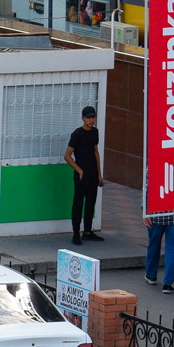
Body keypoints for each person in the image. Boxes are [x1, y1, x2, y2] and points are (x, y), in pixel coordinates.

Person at [64, 105, 104, 245]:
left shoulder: (95, 132)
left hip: (93, 173)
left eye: (93, 117)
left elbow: (95, 152)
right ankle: (76, 233)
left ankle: (87, 231)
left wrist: (99, 174)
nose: (91, 120)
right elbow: (67, 156)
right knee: (78, 203)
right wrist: (79, 171)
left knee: (91, 202)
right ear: (83, 118)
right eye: (88, 117)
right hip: (81, 174)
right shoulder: (77, 134)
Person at [145, 202, 174, 295]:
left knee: (154, 245)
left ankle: (151, 276)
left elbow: (146, 193)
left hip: (156, 214)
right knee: (172, 250)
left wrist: (145, 213)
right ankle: (168, 284)